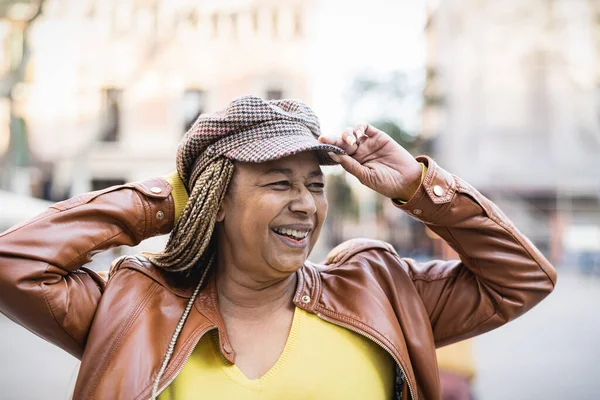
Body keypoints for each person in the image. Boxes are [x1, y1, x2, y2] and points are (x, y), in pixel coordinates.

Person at [0, 95, 556, 400]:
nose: (306, 204)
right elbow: (15, 265)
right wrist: (170, 197)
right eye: (278, 183)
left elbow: (522, 279)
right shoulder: (135, 308)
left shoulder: (377, 290)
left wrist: (420, 187)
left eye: (315, 185)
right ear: (214, 199)